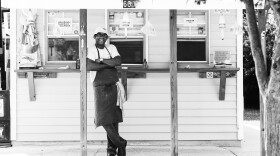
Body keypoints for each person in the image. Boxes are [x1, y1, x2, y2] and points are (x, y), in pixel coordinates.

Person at [87, 27, 127, 156]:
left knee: (113, 118)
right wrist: (110, 64)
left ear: (106, 38)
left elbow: (118, 61)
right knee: (103, 118)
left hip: (113, 85)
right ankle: (121, 143)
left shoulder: (112, 48)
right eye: (98, 35)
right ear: (94, 37)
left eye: (104, 35)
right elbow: (90, 66)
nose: (101, 37)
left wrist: (102, 61)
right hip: (99, 86)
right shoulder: (91, 50)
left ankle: (112, 150)